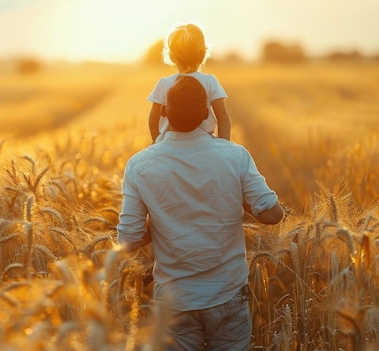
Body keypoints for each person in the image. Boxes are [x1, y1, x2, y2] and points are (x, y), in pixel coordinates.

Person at [117, 75, 284, 351]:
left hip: (174, 301)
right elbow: (273, 215)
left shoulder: (139, 165)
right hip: (228, 294)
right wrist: (241, 201)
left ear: (165, 112)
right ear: (207, 113)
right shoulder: (235, 156)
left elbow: (127, 241)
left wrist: (162, 226)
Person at [148, 23, 232, 143]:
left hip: (170, 143)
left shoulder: (164, 83)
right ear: (203, 54)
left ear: (172, 56)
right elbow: (223, 117)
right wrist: (225, 147)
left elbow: (152, 120)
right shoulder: (210, 81)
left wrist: (157, 144)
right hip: (204, 143)